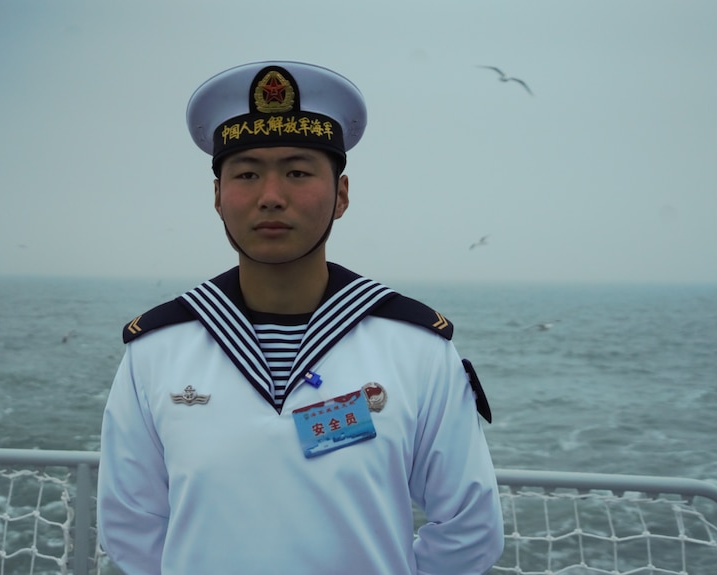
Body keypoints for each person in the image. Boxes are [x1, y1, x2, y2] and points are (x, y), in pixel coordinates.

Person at [96, 60, 504, 575]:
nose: (271, 196)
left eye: (297, 171)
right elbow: (131, 525)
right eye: (246, 174)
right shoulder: (157, 351)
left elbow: (470, 526)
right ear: (218, 196)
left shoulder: (417, 349)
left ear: (342, 196)